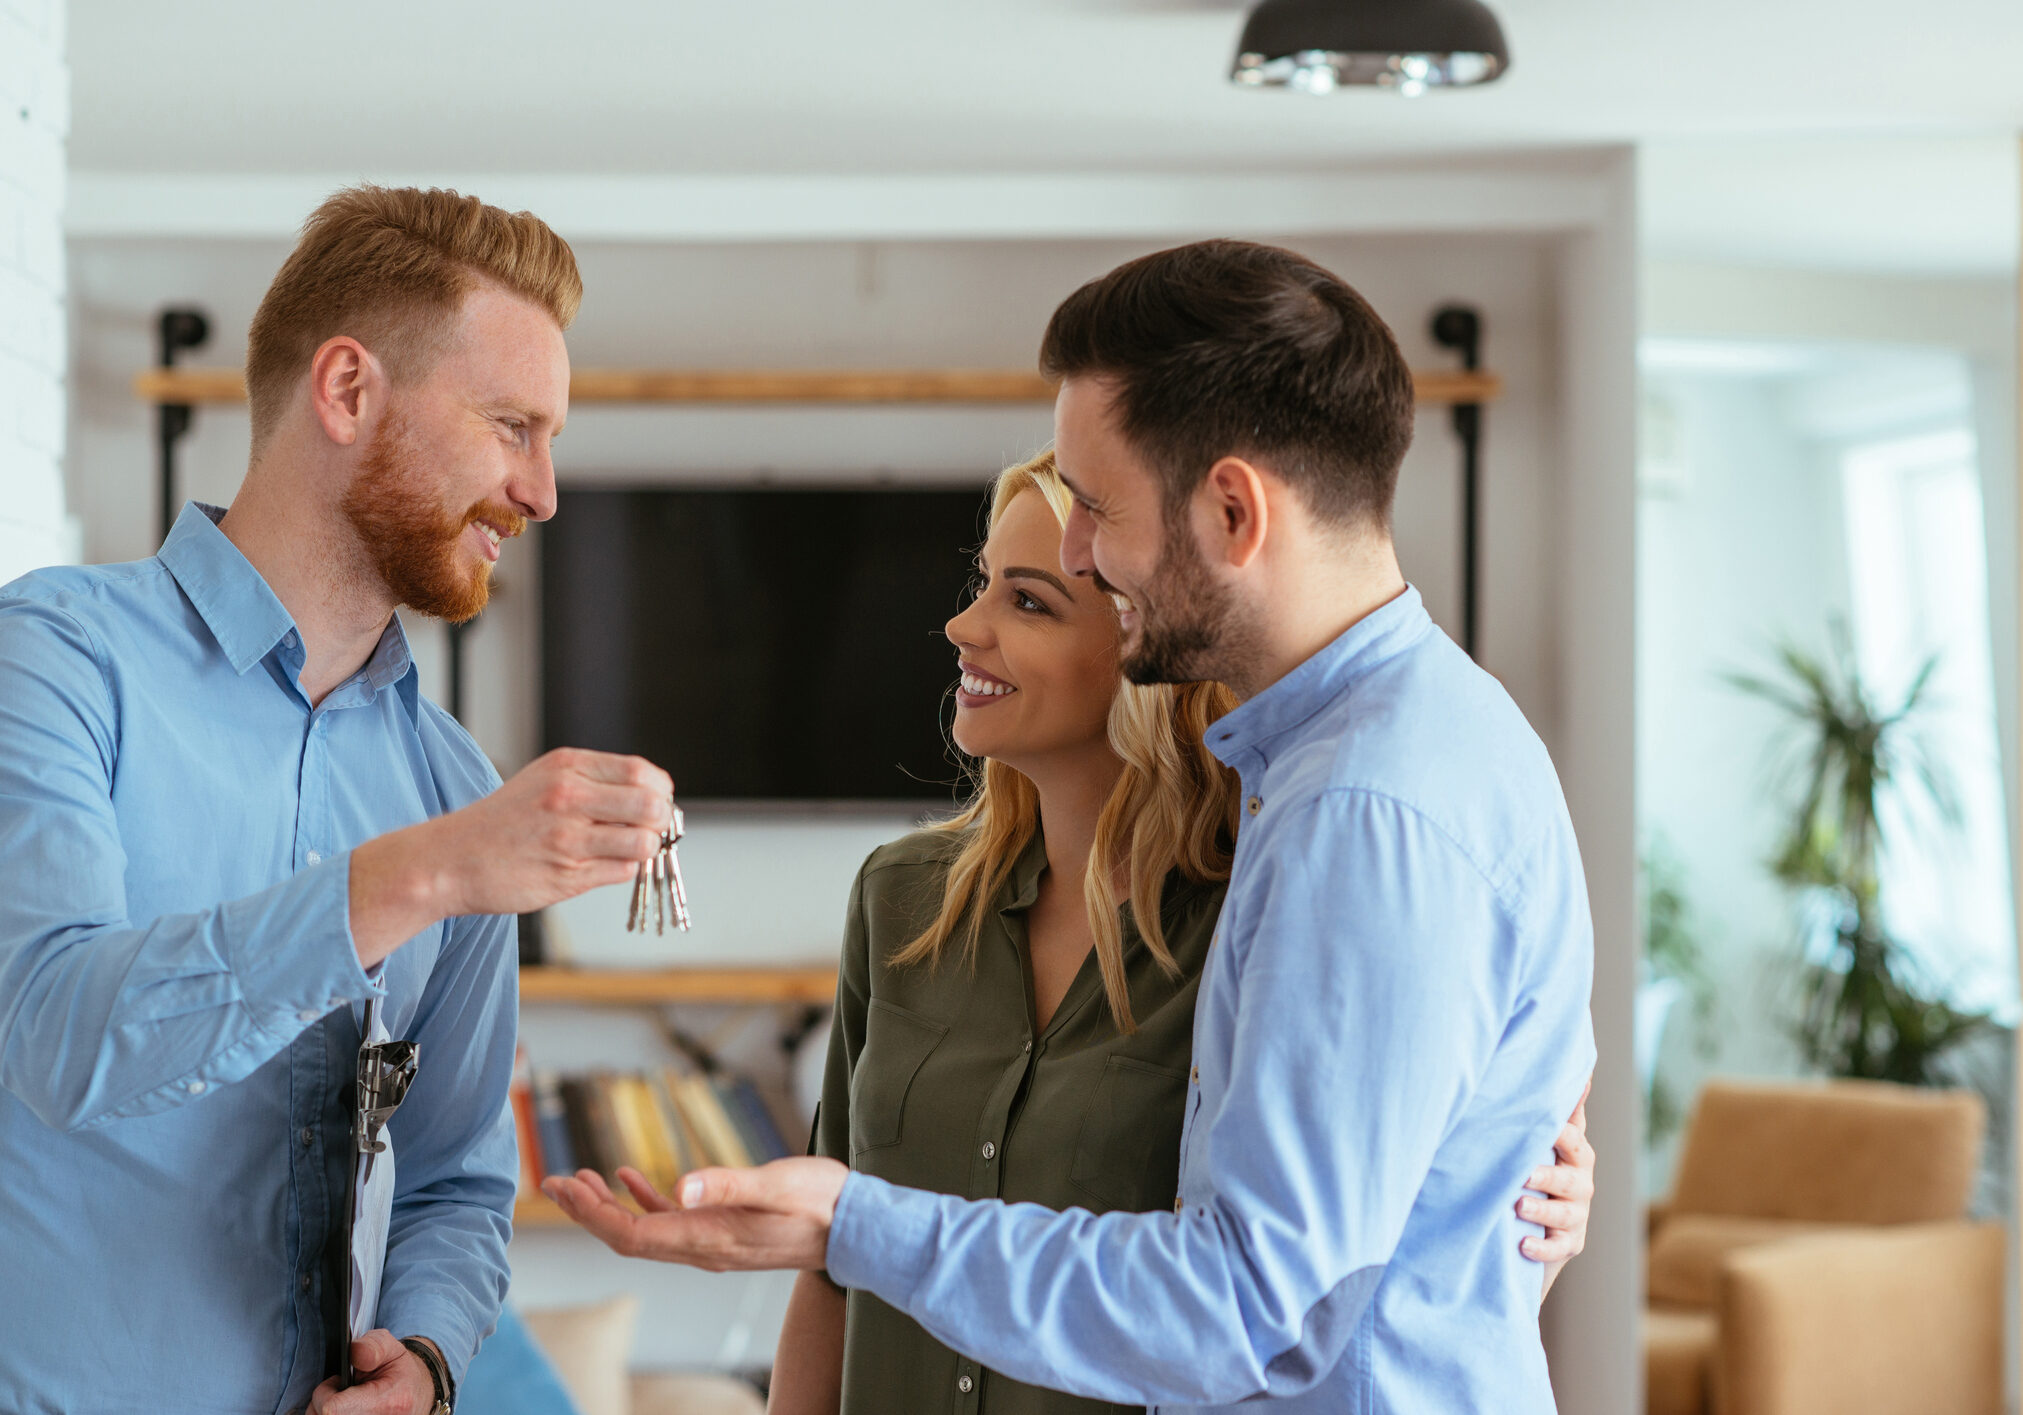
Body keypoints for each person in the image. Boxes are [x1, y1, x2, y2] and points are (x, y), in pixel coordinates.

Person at [548, 240, 1598, 1413]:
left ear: (1233, 510)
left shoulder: (1360, 811)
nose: (1083, 548)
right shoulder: (1373, 757)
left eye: (1096, 511)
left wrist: (856, 1220)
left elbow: (1249, 1308)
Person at [729, 449, 1595, 1415]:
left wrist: (1510, 1201)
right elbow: (829, 1270)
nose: (962, 626)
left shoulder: (1266, 915)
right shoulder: (901, 901)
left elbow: (1349, 1265)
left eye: (1029, 602)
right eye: (984, 583)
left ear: (1142, 649)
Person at [0, 186, 673, 1415]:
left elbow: (458, 1182)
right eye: (512, 425)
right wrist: (411, 877)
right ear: (349, 391)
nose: (542, 491)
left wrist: (423, 1355)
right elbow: (51, 1035)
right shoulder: (53, 657)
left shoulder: (454, 786)